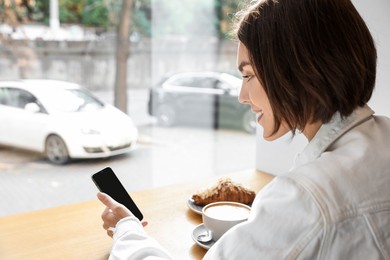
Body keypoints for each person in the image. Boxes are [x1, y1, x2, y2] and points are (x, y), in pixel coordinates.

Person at [97, 0, 390, 259]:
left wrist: (127, 231)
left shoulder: (305, 199)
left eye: (248, 74)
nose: (241, 95)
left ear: (297, 71)